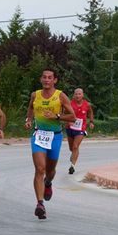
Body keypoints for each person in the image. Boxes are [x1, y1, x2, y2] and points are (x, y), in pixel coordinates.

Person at [24, 69, 75, 220]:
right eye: (44, 77)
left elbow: (73, 116)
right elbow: (31, 109)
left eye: (50, 78)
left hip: (55, 136)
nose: (47, 80)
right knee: (40, 168)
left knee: (50, 170)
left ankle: (48, 183)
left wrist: (57, 116)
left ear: (55, 80)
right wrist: (28, 120)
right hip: (39, 135)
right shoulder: (35, 95)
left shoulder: (60, 95)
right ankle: (40, 204)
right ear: (41, 79)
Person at [65, 88, 94, 174]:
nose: (78, 96)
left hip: (81, 128)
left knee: (75, 146)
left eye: (79, 94)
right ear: (74, 95)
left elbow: (90, 113)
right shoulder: (70, 104)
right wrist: (68, 121)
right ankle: (74, 154)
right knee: (71, 148)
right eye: (76, 94)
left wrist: (91, 122)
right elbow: (65, 113)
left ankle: (72, 166)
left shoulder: (87, 104)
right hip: (70, 128)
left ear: (82, 95)